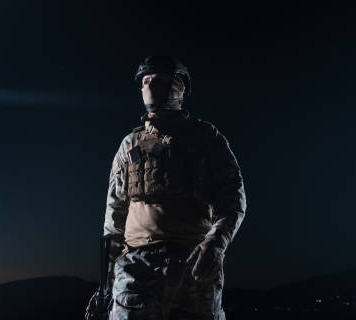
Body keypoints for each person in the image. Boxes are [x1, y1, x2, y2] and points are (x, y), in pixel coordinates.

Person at [86, 56, 247, 320]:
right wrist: (106, 285)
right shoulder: (130, 145)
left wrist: (216, 244)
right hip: (137, 269)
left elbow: (233, 202)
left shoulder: (206, 138)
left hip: (194, 264)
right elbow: (114, 218)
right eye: (145, 81)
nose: (149, 86)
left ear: (178, 86)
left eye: (157, 80)